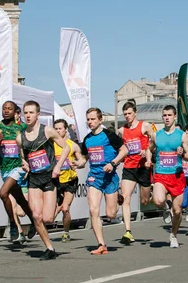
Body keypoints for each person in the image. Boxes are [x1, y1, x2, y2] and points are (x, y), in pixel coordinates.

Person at [17, 101, 71, 260]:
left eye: (31, 113)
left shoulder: (47, 131)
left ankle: (59, 200)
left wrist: (58, 166)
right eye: (25, 113)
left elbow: (66, 147)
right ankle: (49, 248)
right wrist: (24, 162)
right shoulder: (20, 137)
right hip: (34, 178)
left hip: (49, 177)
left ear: (38, 114)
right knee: (36, 216)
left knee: (47, 218)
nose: (28, 116)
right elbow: (22, 154)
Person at [72, 108, 128, 255]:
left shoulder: (109, 135)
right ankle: (101, 244)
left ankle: (117, 196)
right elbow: (85, 158)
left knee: (110, 215)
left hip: (109, 177)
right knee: (93, 210)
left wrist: (113, 163)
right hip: (94, 177)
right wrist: (79, 163)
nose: (90, 122)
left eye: (93, 119)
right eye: (88, 120)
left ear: (100, 119)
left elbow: (124, 150)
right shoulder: (87, 139)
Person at [0, 101, 36, 244]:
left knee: (3, 193)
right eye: (4, 109)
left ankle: (13, 224)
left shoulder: (22, 127)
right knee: (19, 199)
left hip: (18, 167)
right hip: (4, 168)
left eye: (10, 109)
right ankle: (34, 221)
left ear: (15, 112)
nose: (6, 111)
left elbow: (33, 141)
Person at [149, 105, 188, 248]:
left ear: (174, 117)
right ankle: (165, 208)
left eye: (169, 115)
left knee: (178, 210)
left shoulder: (181, 135)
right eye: (164, 115)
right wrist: (149, 159)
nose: (166, 118)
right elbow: (149, 149)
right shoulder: (157, 135)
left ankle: (173, 235)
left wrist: (182, 154)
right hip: (161, 174)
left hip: (177, 175)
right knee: (157, 200)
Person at [117, 101, 155, 244]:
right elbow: (120, 147)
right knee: (126, 198)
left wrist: (147, 152)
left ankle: (151, 194)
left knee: (144, 201)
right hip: (129, 167)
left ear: (135, 113)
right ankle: (128, 231)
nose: (127, 116)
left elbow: (154, 141)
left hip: (143, 167)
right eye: (125, 114)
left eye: (129, 113)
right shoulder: (121, 131)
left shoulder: (144, 126)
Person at [53, 119, 83, 242]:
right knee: (52, 211)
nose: (58, 131)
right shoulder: (51, 144)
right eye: (56, 128)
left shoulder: (72, 145)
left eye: (60, 128)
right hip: (56, 181)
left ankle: (65, 232)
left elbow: (82, 161)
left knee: (65, 208)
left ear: (66, 129)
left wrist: (76, 163)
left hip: (70, 180)